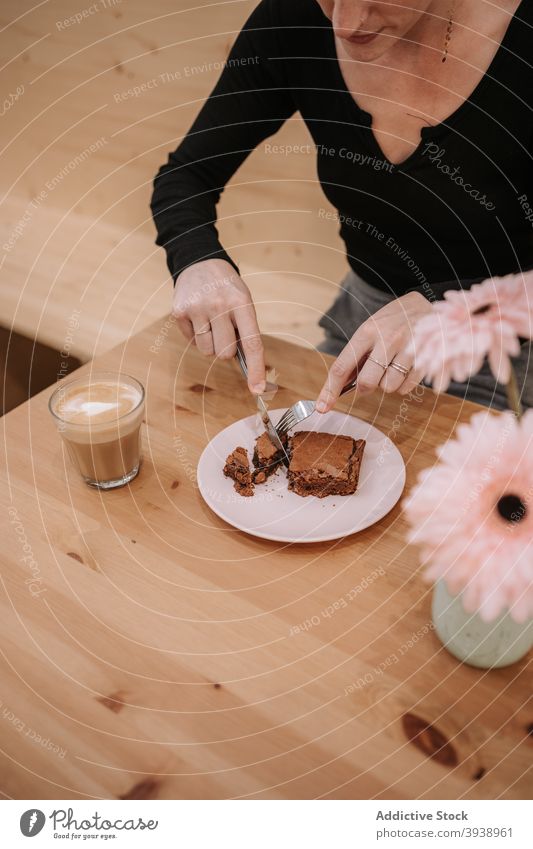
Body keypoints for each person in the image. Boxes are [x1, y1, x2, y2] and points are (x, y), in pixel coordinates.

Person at [151, 0, 532, 411]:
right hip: (361, 328)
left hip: (514, 346)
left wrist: (461, 309)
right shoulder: (294, 18)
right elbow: (186, 175)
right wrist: (196, 259)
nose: (344, 24)